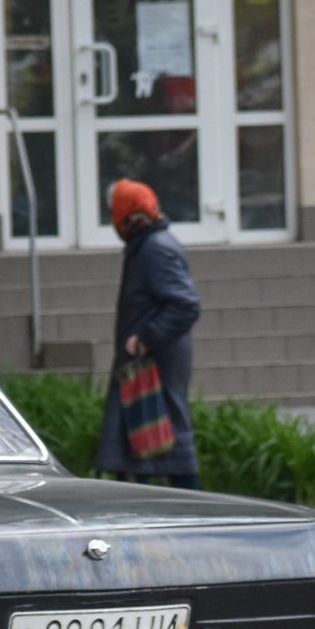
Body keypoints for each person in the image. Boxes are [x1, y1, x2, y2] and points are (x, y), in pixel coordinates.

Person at [96, 178, 202, 489]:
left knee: (155, 441)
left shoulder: (155, 248)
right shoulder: (150, 244)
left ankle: (187, 514)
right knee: (146, 443)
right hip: (153, 363)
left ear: (126, 217)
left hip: (155, 365)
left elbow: (185, 306)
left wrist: (146, 338)